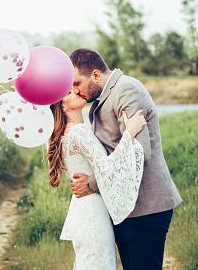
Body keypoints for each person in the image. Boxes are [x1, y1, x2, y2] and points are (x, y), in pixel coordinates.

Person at [69, 48, 182, 270]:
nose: (75, 91)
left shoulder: (126, 89)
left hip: (146, 207)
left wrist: (91, 183)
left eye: (77, 84)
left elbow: (139, 153)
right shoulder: (103, 96)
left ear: (95, 75)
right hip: (126, 207)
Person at [48, 90, 147, 269]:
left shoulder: (70, 132)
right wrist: (129, 134)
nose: (77, 91)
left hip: (84, 210)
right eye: (69, 92)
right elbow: (107, 168)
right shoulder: (78, 132)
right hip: (93, 215)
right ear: (62, 106)